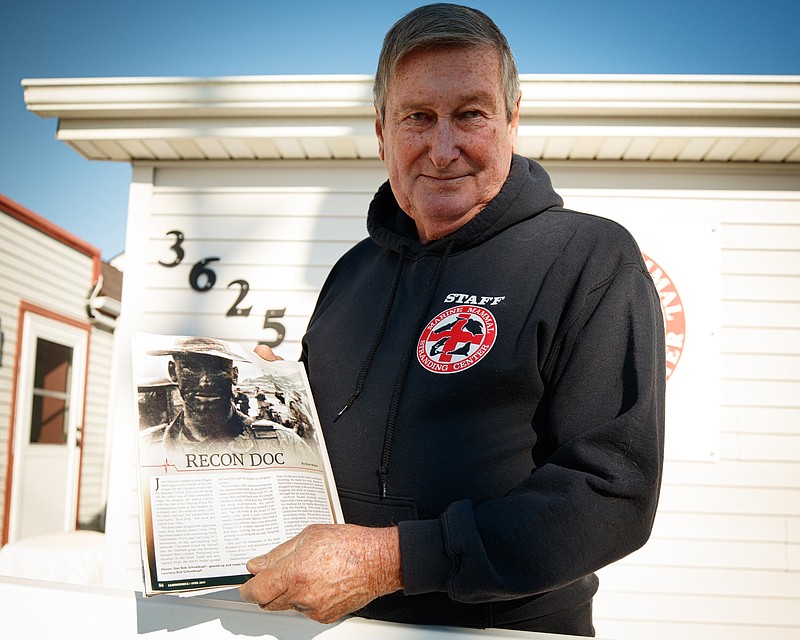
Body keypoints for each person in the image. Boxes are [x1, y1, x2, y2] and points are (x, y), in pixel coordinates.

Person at [239, 4, 665, 636]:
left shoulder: (590, 259)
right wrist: (272, 401)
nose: (443, 148)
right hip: (329, 623)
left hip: (505, 629)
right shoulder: (351, 274)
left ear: (511, 121)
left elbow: (611, 495)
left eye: (469, 113)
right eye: (417, 117)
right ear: (382, 132)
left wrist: (392, 561)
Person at [141, 336, 308, 460]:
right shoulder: (145, 448)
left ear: (234, 375)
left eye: (217, 368)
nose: (205, 381)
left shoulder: (282, 442)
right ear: (172, 373)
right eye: (191, 367)